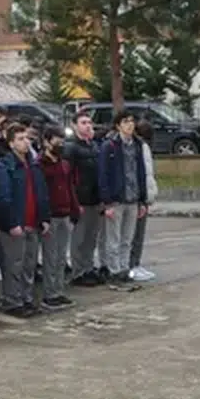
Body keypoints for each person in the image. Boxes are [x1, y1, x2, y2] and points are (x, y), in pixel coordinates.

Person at [0, 124, 50, 318]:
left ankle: (26, 298)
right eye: (20, 139)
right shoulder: (5, 166)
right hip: (16, 224)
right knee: (13, 265)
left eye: (27, 138)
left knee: (29, 264)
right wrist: (10, 223)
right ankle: (12, 301)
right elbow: (4, 197)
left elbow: (40, 193)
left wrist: (44, 218)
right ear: (10, 143)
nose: (26, 142)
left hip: (32, 222)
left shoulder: (33, 164)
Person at [97, 111, 148, 284]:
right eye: (126, 122)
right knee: (114, 238)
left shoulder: (138, 145)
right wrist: (107, 202)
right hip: (116, 199)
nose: (130, 125)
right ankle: (114, 270)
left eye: (132, 121)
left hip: (133, 198)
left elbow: (141, 172)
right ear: (118, 125)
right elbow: (103, 175)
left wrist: (143, 200)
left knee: (127, 238)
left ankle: (124, 269)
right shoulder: (109, 146)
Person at [39, 127, 79, 307]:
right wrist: (43, 216)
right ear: (46, 142)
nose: (60, 144)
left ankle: (59, 290)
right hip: (51, 215)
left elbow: (70, 188)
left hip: (65, 214)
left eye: (62, 141)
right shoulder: (40, 164)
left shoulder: (64, 164)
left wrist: (74, 209)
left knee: (62, 256)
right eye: (57, 140)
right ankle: (50, 293)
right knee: (51, 256)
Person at [65, 111, 105, 287]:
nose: (88, 126)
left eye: (89, 122)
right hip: (80, 200)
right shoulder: (71, 147)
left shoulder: (94, 146)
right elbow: (68, 177)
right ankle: (78, 271)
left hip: (95, 198)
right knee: (79, 238)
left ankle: (88, 267)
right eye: (83, 122)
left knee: (91, 237)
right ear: (74, 126)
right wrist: (73, 201)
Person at [128, 120, 159, 282]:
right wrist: (146, 196)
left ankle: (134, 263)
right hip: (139, 196)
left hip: (141, 195)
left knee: (136, 233)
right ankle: (132, 265)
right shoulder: (140, 147)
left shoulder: (140, 147)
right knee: (135, 234)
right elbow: (145, 175)